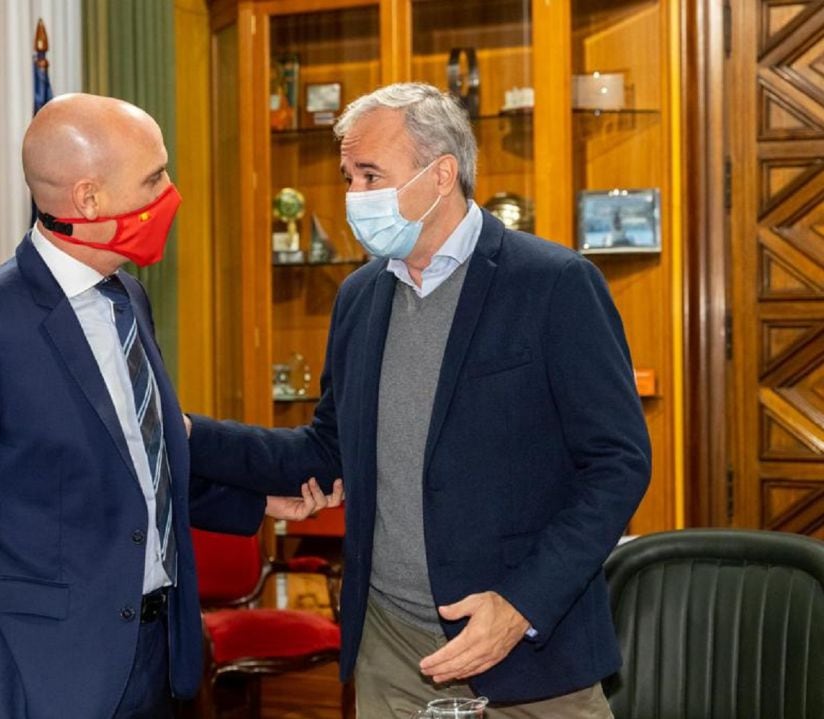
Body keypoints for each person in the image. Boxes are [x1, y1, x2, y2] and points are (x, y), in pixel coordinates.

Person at [187, 83, 651, 718]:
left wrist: (522, 607)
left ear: (442, 175)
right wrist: (188, 435)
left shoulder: (555, 283)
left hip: (530, 653)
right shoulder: (359, 296)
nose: (354, 196)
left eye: (371, 174)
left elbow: (617, 463)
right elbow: (329, 447)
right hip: (393, 649)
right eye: (348, 176)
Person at [0, 93, 342, 719]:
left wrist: (253, 503)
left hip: (153, 662)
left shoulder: (128, 297)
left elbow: (128, 462)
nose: (171, 191)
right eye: (154, 178)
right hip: (38, 686)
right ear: (89, 199)